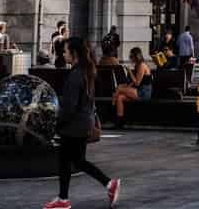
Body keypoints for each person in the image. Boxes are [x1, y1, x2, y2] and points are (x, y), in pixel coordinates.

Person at [45, 36, 119, 209]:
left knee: (72, 161)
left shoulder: (76, 74)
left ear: (74, 53)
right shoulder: (86, 71)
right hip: (82, 123)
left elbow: (70, 106)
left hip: (74, 126)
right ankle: (64, 198)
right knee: (73, 161)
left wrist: (57, 123)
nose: (63, 54)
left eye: (65, 51)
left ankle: (108, 184)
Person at [112, 47, 152, 128]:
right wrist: (126, 86)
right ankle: (120, 122)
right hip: (138, 90)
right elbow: (133, 83)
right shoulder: (137, 65)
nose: (130, 58)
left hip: (143, 92)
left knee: (119, 90)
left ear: (136, 56)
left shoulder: (142, 65)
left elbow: (137, 83)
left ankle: (112, 106)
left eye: (131, 56)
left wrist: (129, 71)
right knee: (120, 97)